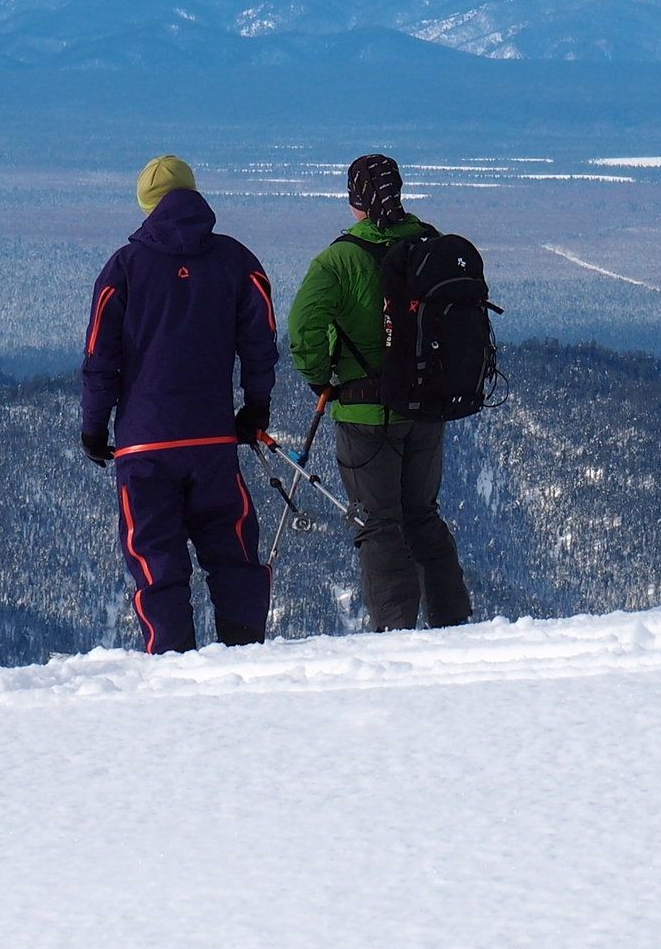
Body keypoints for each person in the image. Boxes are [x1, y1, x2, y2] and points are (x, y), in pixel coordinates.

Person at [79, 154, 278, 653]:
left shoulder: (123, 268)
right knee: (231, 549)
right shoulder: (236, 261)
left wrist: (94, 427)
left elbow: (100, 357)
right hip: (212, 439)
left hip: (142, 444)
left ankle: (171, 663)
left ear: (147, 206)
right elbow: (261, 342)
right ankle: (246, 648)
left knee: (155, 558)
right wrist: (255, 408)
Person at [287, 153, 473, 632]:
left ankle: (394, 632)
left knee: (380, 522)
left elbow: (304, 325)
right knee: (423, 515)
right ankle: (454, 623)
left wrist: (321, 376)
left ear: (355, 202)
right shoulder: (430, 243)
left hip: (365, 413)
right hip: (428, 407)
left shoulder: (340, 259)